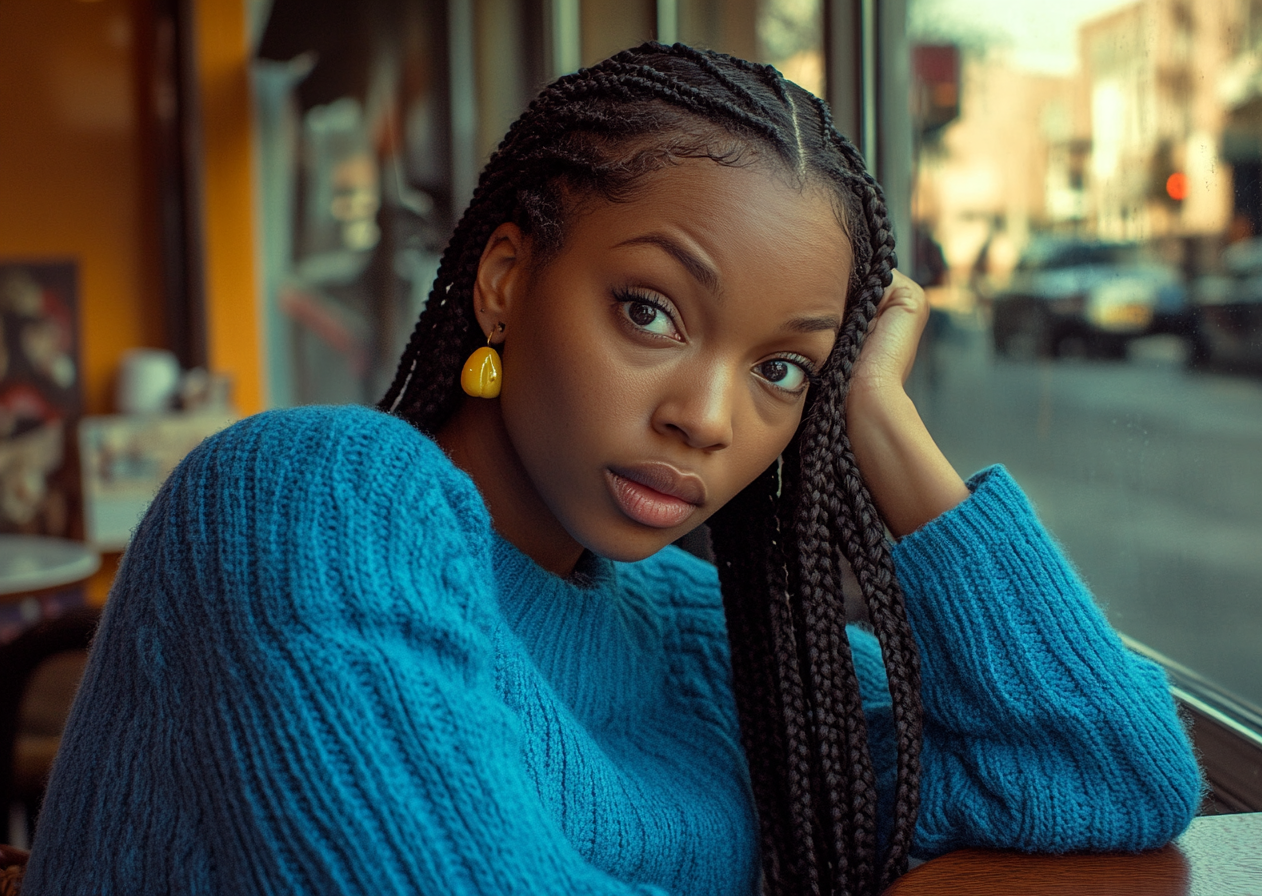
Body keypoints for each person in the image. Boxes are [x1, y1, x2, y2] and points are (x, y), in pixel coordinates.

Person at [23, 43, 1201, 896]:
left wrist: (881, 422)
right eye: (649, 310)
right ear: (502, 279)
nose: (706, 417)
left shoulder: (701, 634)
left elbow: (1107, 768)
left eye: (782, 372)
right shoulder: (313, 502)